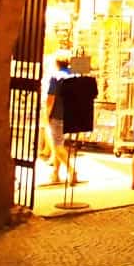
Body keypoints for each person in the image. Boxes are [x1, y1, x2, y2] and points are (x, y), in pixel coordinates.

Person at [43, 52, 75, 186]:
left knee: (56, 147)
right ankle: (55, 173)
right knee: (60, 143)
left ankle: (72, 171)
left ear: (56, 64)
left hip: (57, 115)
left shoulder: (56, 77)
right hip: (69, 115)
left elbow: (51, 99)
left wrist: (46, 116)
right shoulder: (74, 76)